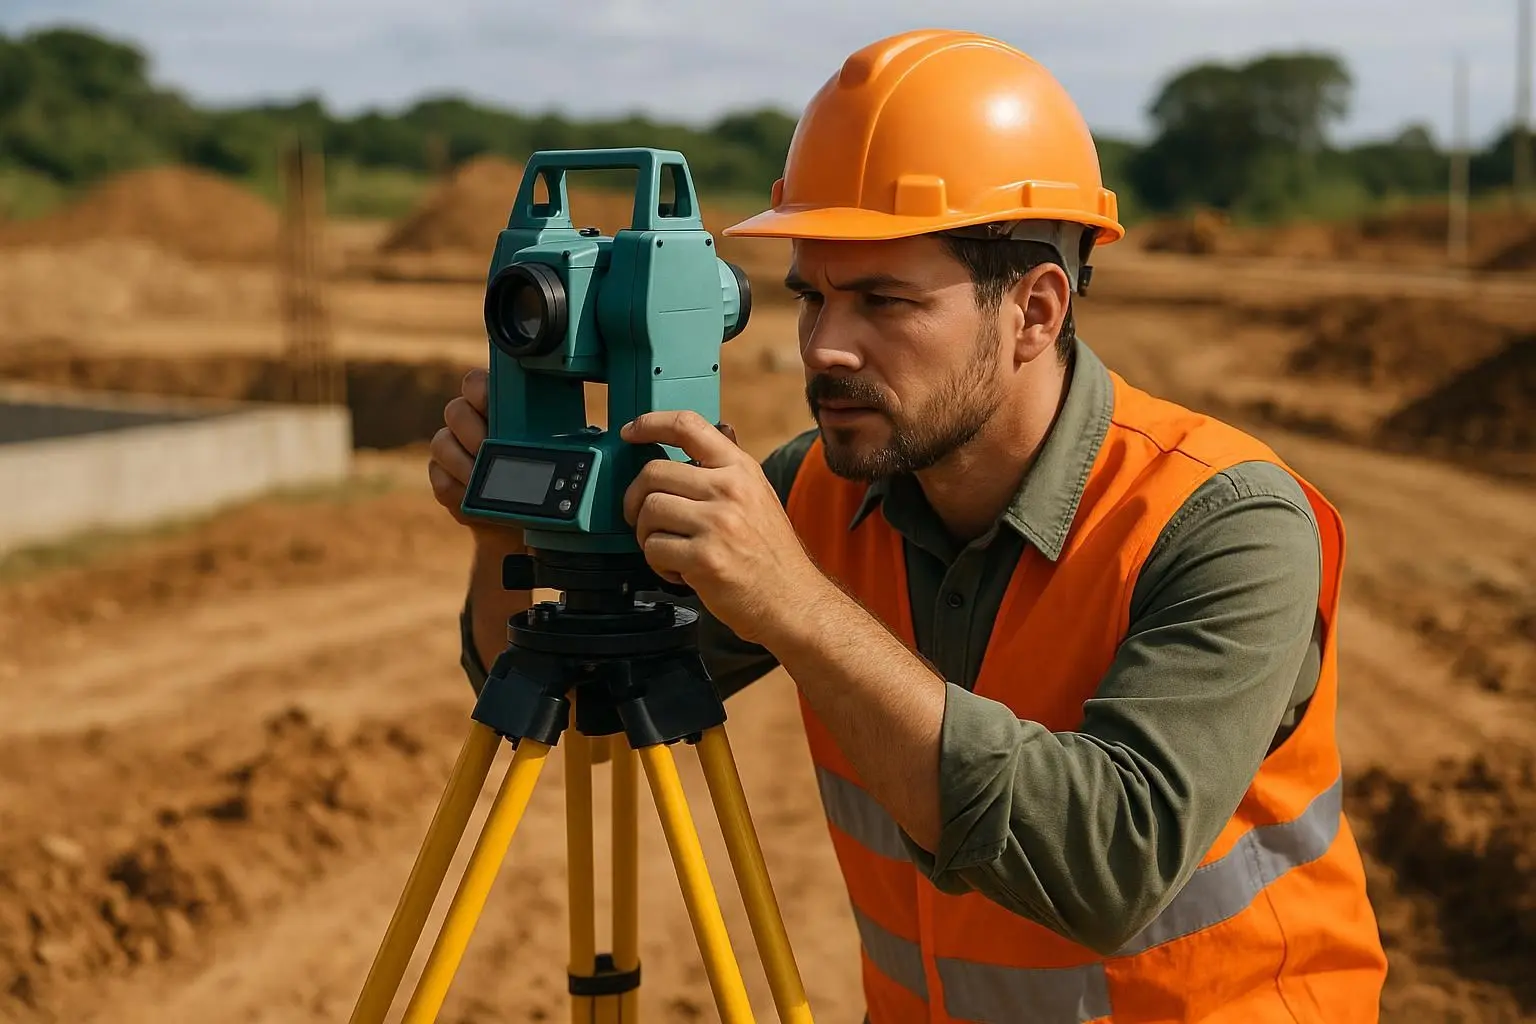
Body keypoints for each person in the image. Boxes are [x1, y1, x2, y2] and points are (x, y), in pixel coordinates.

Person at [429, 28, 1388, 1024]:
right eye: (812, 296)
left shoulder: (1224, 523)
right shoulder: (819, 493)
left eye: (884, 300)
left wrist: (793, 599)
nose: (826, 348)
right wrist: (508, 533)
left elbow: (1111, 866)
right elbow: (584, 706)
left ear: (1035, 310)